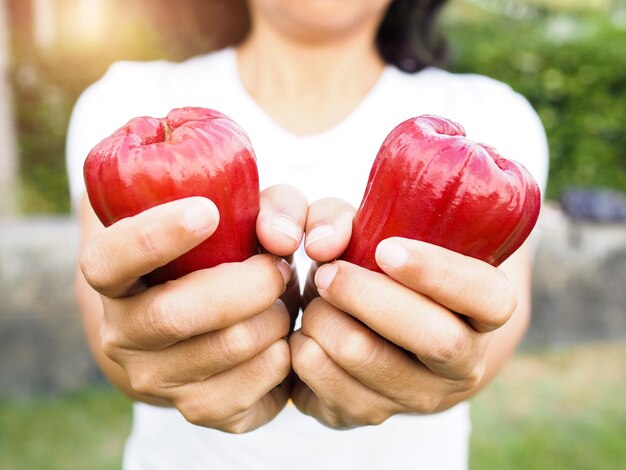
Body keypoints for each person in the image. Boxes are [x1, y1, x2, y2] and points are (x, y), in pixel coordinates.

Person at [66, 0, 548, 468]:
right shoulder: (120, 99)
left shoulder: (496, 113)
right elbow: (111, 326)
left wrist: (441, 369)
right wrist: (156, 350)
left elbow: (494, 326)